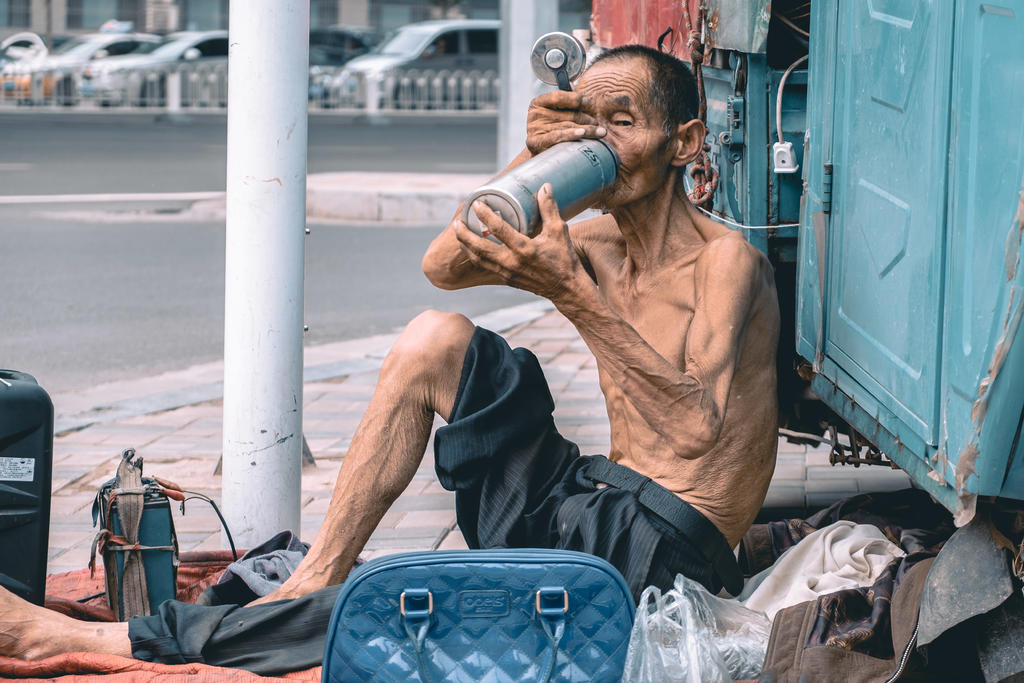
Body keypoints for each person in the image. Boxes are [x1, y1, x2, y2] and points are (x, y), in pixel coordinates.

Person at [0, 44, 780, 675]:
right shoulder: (601, 240)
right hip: (588, 495)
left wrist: (573, 295)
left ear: (685, 143)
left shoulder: (725, 263)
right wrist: (530, 157)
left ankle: (129, 640)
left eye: (624, 121)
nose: (602, 142)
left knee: (417, 599)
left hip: (660, 546)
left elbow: (693, 424)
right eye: (591, 123)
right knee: (434, 336)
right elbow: (446, 261)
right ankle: (318, 574)